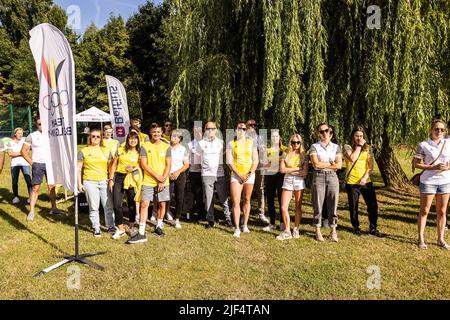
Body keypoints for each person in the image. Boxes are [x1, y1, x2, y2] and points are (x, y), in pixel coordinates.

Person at [128, 123, 171, 243]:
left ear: (161, 132)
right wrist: (157, 177)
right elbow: (144, 164)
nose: (156, 134)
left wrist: (162, 179)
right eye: (154, 132)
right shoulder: (145, 146)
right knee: (144, 204)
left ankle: (159, 226)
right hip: (148, 180)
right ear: (150, 133)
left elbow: (168, 164)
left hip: (163, 180)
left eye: (158, 132)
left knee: (162, 204)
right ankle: (141, 233)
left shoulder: (166, 146)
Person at [412, 119, 450, 250]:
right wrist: (433, 167)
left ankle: (441, 240)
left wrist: (447, 167)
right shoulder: (423, 145)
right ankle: (421, 239)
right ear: (431, 130)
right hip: (428, 181)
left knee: (442, 211)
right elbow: (415, 163)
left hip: (445, 181)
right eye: (436, 129)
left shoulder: (448, 143)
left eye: (442, 129)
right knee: (425, 210)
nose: (439, 131)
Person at [21, 118, 64, 221]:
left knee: (52, 187)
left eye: (44, 124)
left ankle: (54, 208)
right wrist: (32, 163)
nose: (42, 126)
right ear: (37, 125)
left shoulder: (53, 134)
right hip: (38, 165)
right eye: (40, 124)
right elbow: (23, 151)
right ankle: (31, 211)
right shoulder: (32, 136)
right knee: (35, 188)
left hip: (51, 165)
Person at [343, 126, 382, 237]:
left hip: (366, 181)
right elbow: (352, 158)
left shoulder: (368, 148)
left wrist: (365, 177)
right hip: (352, 182)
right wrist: (359, 146)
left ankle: (373, 228)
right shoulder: (347, 147)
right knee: (353, 206)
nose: (359, 138)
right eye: (357, 136)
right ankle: (356, 227)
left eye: (361, 136)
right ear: (353, 136)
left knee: (372, 205)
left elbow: (370, 165)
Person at [77, 128, 115, 237]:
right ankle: (96, 227)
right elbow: (78, 169)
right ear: (90, 137)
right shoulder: (84, 151)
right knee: (94, 207)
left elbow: (111, 167)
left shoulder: (106, 150)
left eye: (98, 136)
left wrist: (110, 179)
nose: (95, 138)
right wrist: (79, 184)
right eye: (93, 136)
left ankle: (111, 226)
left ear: (101, 138)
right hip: (90, 182)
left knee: (108, 205)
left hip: (104, 181)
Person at [309, 123, 342, 242]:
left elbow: (339, 165)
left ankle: (333, 231)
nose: (324, 133)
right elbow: (316, 164)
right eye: (321, 131)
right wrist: (331, 164)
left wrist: (332, 165)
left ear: (330, 132)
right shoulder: (314, 146)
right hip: (319, 176)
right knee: (318, 203)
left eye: (326, 130)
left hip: (332, 177)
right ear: (318, 133)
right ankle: (317, 230)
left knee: (333, 203)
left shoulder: (336, 147)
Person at [226, 120, 259, 238]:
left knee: (247, 199)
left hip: (249, 175)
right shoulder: (231, 143)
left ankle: (245, 224)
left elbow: (255, 160)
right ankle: (237, 228)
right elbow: (229, 162)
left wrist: (249, 173)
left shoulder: (251, 143)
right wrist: (239, 174)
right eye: (239, 128)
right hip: (236, 175)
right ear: (236, 130)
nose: (242, 130)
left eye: (244, 129)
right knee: (235, 200)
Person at [198, 121, 233, 229]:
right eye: (208, 128)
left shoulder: (221, 142)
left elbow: (225, 154)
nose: (210, 131)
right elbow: (198, 159)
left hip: (220, 174)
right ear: (205, 130)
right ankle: (210, 220)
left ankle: (228, 219)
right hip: (207, 174)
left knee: (223, 198)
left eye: (212, 128)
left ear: (216, 130)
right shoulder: (201, 143)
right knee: (209, 199)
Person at [109, 131, 142, 239]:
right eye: (131, 138)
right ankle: (121, 228)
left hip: (132, 178)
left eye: (135, 139)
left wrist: (134, 168)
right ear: (127, 140)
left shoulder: (140, 152)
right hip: (119, 177)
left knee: (131, 203)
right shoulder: (120, 150)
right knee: (116, 204)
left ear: (138, 140)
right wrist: (110, 179)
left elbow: (142, 166)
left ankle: (131, 226)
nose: (133, 141)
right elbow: (113, 165)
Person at [276, 134, 309, 240]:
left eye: (298, 142)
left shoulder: (304, 154)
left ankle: (296, 229)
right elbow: (282, 170)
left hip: (299, 181)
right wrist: (297, 169)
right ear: (290, 143)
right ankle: (287, 230)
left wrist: (290, 170)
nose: (295, 144)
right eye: (293, 142)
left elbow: (305, 172)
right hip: (288, 180)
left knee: (297, 207)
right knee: (283, 207)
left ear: (301, 143)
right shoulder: (285, 153)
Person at [262, 130, 287, 231]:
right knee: (270, 199)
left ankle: (282, 222)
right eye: (273, 136)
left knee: (282, 199)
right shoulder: (267, 150)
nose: (275, 138)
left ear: (279, 137)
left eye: (276, 136)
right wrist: (277, 160)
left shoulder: (285, 149)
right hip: (270, 176)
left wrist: (273, 161)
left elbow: (287, 162)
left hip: (281, 176)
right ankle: (272, 223)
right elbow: (264, 164)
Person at [246, 119, 269, 224]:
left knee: (260, 189)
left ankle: (261, 213)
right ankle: (245, 212)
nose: (252, 126)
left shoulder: (259, 138)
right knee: (246, 191)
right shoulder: (242, 138)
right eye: (250, 124)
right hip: (246, 167)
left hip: (258, 167)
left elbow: (262, 151)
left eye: (254, 125)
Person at [168, 129, 190, 229]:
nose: (174, 138)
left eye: (177, 136)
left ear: (180, 139)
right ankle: (165, 214)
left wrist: (177, 172)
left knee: (179, 197)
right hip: (168, 174)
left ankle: (177, 219)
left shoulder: (183, 149)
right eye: (173, 136)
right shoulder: (166, 147)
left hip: (180, 175)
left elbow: (186, 164)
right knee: (166, 196)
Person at [187, 124, 207, 220]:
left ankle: (201, 214)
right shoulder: (190, 144)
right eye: (195, 132)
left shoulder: (207, 143)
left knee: (201, 194)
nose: (198, 133)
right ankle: (190, 213)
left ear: (203, 132)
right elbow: (188, 158)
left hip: (204, 172)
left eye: (199, 131)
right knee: (192, 193)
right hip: (193, 172)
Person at [8, 128, 32, 204]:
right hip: (14, 164)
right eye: (19, 133)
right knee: (14, 181)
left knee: (28, 180)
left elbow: (27, 151)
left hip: (25, 163)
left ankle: (31, 197)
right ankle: (16, 197)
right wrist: (22, 153)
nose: (20, 135)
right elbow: (10, 153)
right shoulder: (10, 142)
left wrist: (17, 153)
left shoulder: (25, 140)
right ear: (15, 134)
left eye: (21, 133)